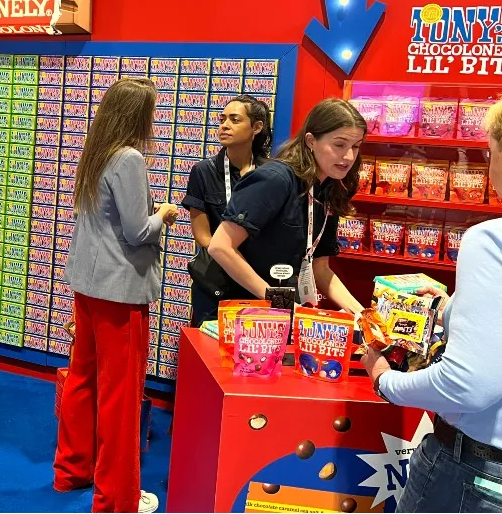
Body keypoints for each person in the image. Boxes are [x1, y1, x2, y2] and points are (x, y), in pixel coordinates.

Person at [362, 99, 502, 513]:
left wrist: (385, 381)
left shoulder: (490, 240)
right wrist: (450, 309)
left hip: (473, 473)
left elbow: (466, 385)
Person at [53, 78, 179, 514]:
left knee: (82, 378)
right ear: (138, 116)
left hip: (88, 287)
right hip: (120, 292)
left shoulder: (96, 151)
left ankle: (71, 470)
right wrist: (162, 213)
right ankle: (117, 500)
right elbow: (136, 231)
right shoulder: (129, 158)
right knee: (121, 397)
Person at [208, 98, 365, 314]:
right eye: (339, 145)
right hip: (239, 309)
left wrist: (362, 316)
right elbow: (220, 247)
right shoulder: (275, 179)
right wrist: (279, 300)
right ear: (311, 141)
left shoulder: (329, 188)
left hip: (283, 309)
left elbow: (320, 268)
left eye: (355, 146)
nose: (348, 156)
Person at [182, 95, 272, 325]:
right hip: (216, 283)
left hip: (257, 280)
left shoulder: (272, 173)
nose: (224, 125)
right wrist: (230, 255)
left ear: (257, 127)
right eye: (222, 119)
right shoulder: (203, 171)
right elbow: (202, 236)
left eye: (234, 119)